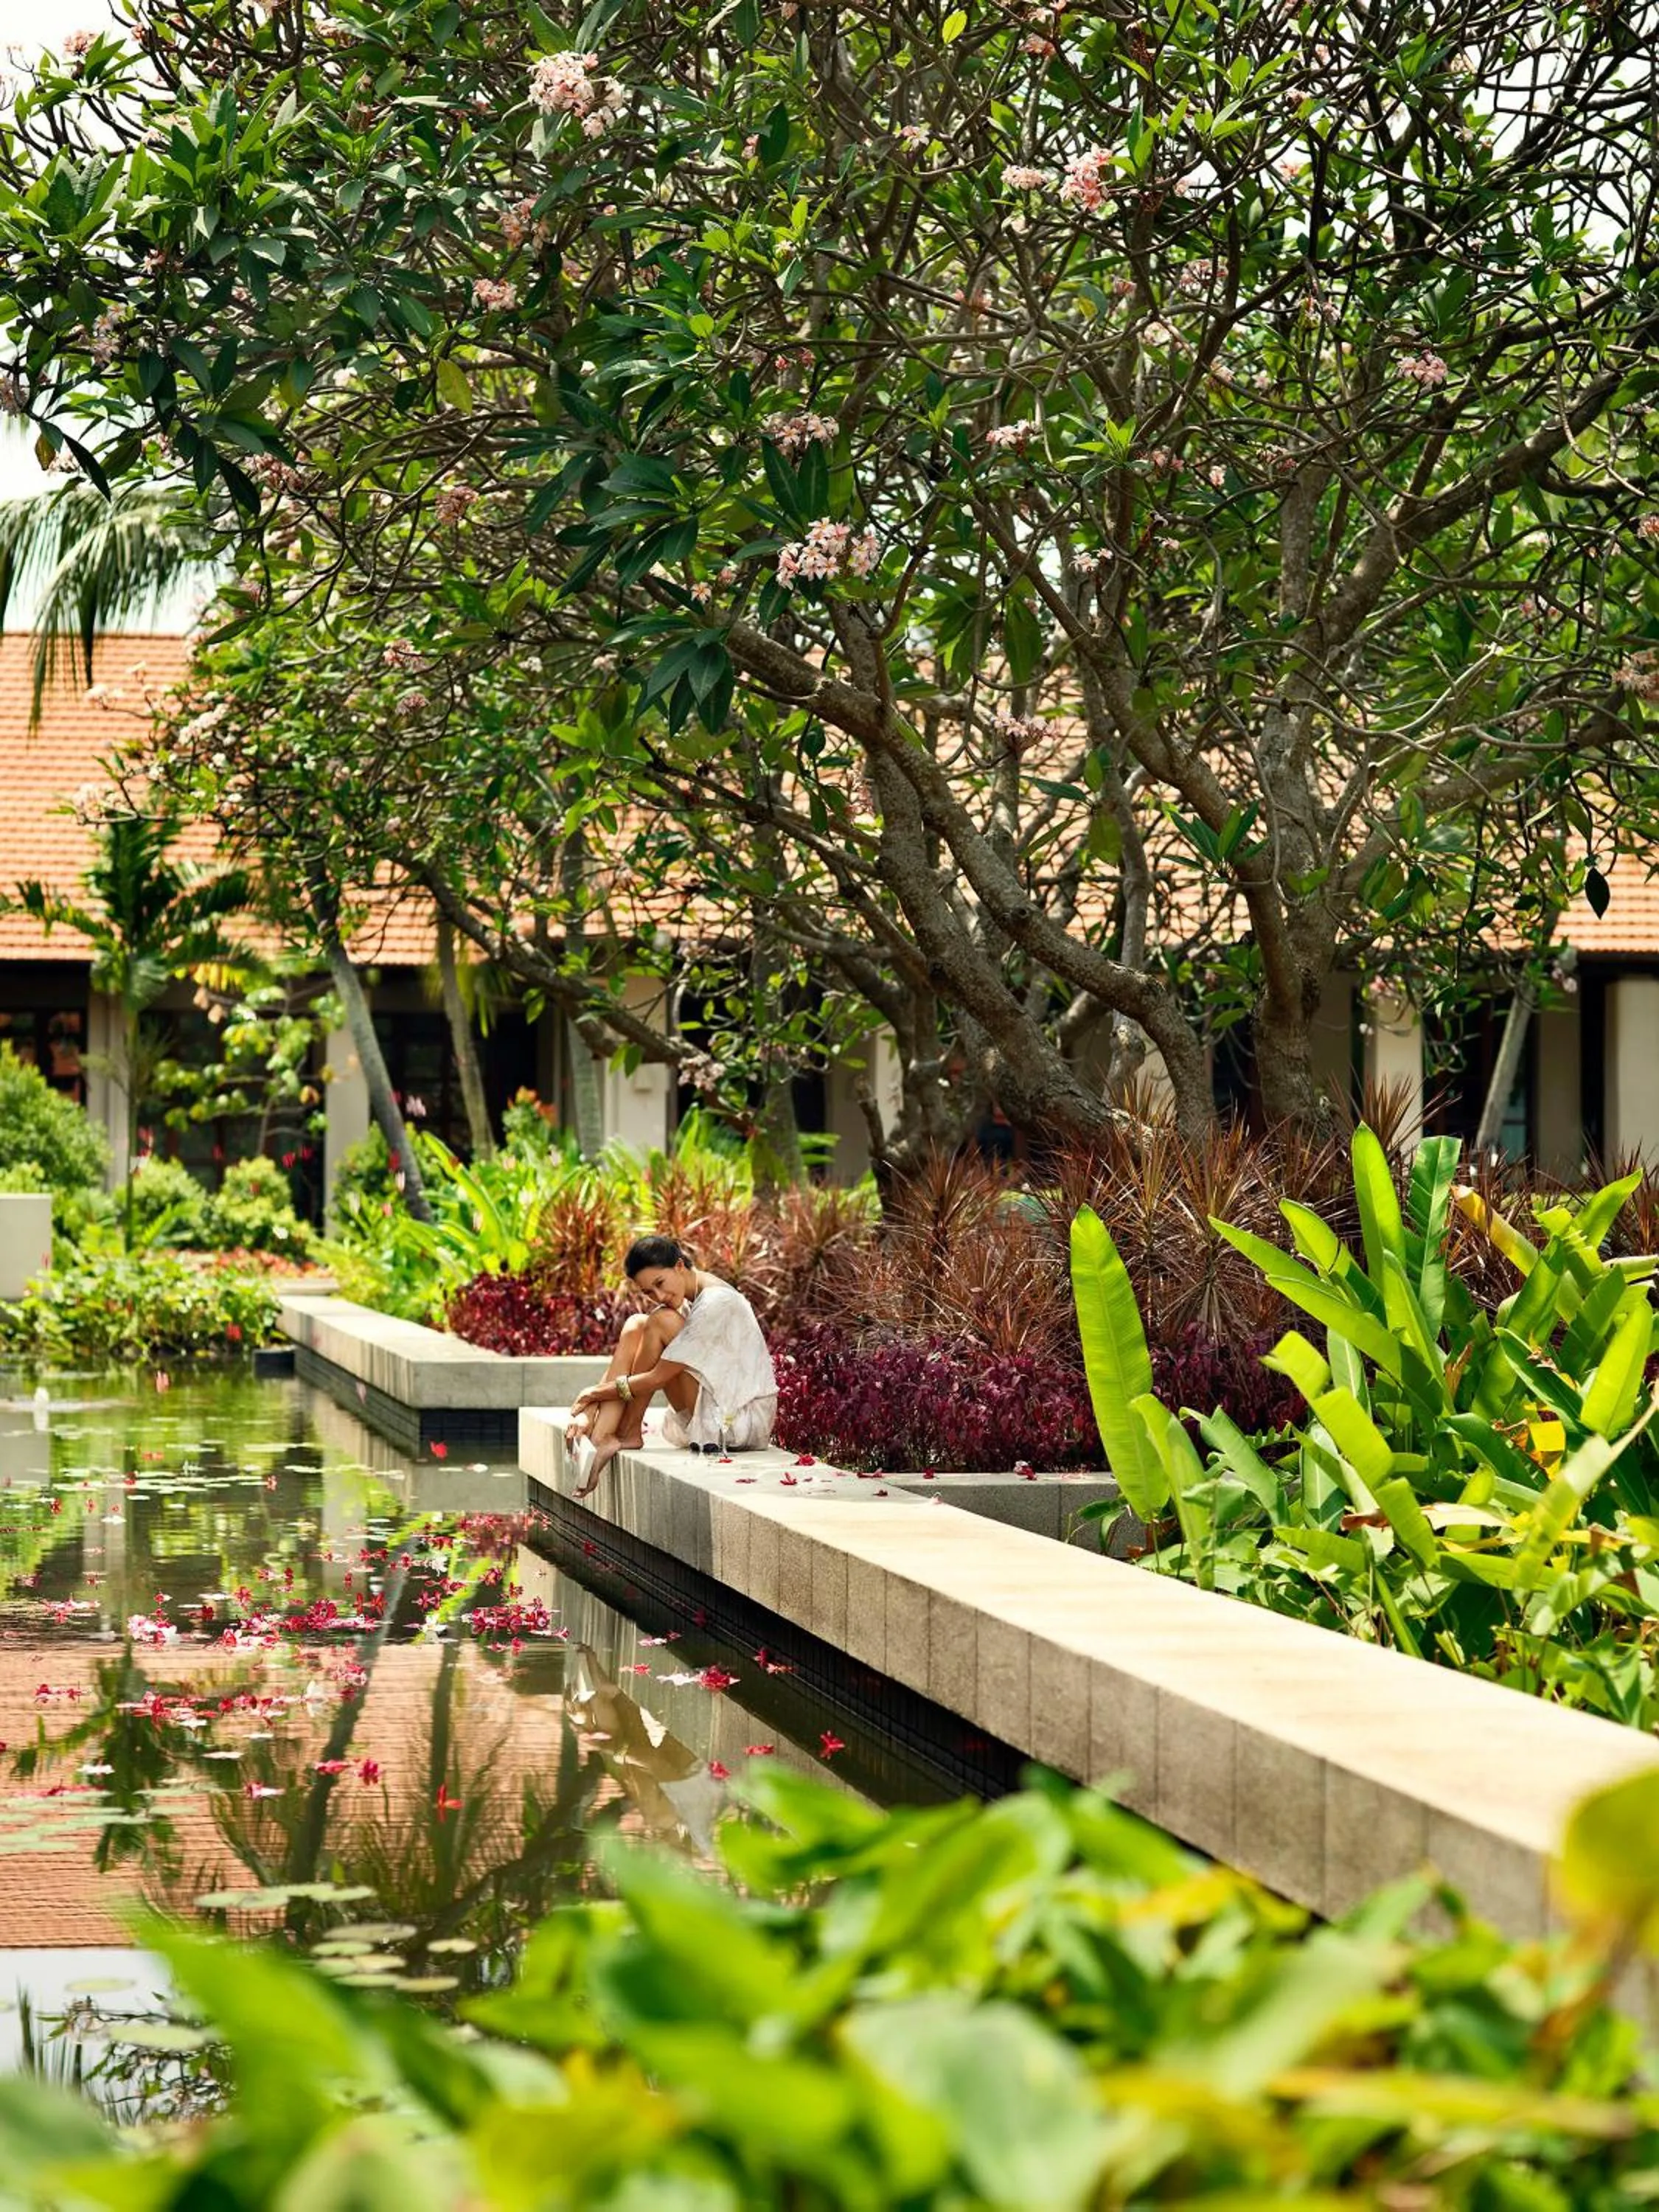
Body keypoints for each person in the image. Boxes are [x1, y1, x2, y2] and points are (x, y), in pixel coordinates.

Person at [565, 1235, 778, 1499]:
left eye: (660, 1284)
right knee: (636, 1325)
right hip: (714, 1405)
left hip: (737, 1421)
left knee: (660, 1321)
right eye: (648, 1292)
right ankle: (604, 1436)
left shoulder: (715, 1302)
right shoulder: (694, 1296)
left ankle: (626, 1433)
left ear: (679, 1266)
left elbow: (656, 1378)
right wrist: (588, 1411)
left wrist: (593, 1394)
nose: (659, 1296)